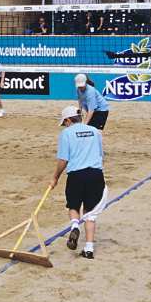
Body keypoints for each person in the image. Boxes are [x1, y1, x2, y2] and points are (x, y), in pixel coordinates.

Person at [51, 104, 108, 259]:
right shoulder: (95, 131)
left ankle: (75, 226)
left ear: (69, 120)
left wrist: (55, 177)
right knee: (90, 214)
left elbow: (63, 159)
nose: (65, 125)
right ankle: (88, 249)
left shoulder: (66, 134)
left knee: (73, 206)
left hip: (76, 175)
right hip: (95, 175)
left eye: (65, 122)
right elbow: (101, 156)